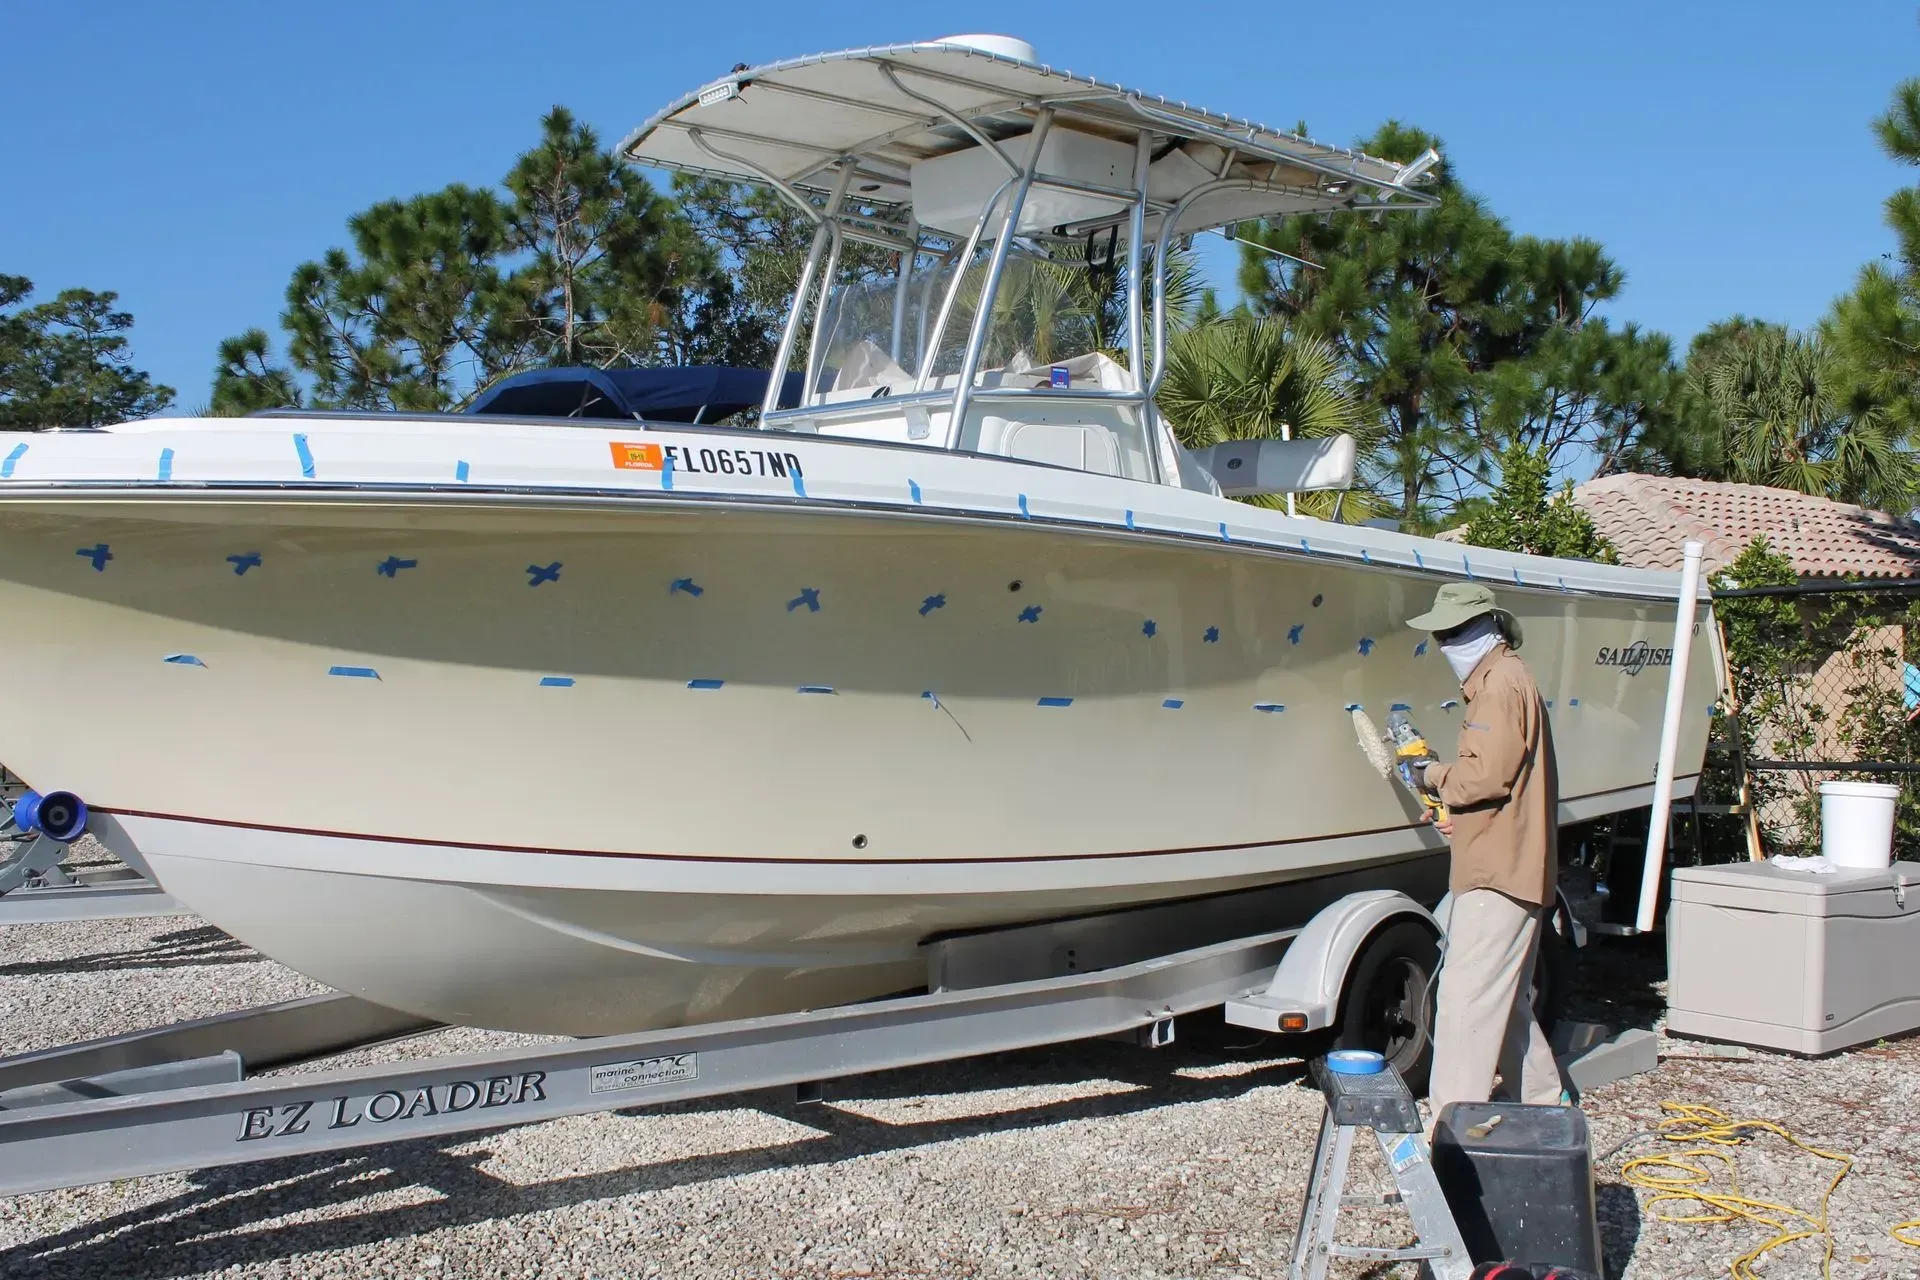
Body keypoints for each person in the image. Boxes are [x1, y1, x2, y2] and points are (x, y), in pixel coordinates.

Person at [1404, 582, 1564, 1121]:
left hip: (1496, 876)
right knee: (1505, 1002)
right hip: (1512, 862)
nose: (1443, 643)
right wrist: (1461, 818)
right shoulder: (1510, 678)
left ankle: (1453, 1127)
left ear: (1481, 629)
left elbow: (1485, 777)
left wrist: (1430, 774)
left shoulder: (1498, 686)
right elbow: (1504, 786)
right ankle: (1546, 1106)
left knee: (1466, 1003)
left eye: (1449, 632)